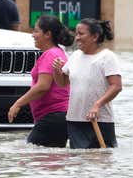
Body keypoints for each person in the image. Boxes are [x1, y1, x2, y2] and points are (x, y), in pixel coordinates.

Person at [52, 18, 122, 149]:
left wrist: (97, 105)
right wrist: (56, 71)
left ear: (95, 36)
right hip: (75, 119)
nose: (77, 38)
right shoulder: (75, 56)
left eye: (81, 34)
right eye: (76, 33)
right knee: (78, 162)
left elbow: (116, 86)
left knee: (100, 161)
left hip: (99, 120)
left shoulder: (107, 57)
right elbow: (62, 83)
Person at [8, 15, 74, 147]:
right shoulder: (58, 52)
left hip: (53, 117)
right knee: (49, 161)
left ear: (47, 34)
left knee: (33, 157)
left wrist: (18, 103)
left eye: (36, 31)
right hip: (57, 117)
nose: (32, 35)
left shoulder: (50, 54)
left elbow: (43, 86)